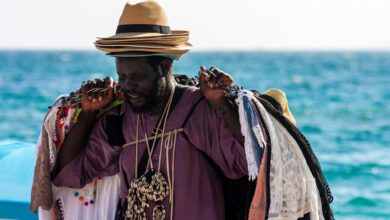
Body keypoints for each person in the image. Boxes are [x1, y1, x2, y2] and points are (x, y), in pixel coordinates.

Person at [31, 1, 334, 219]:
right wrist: (89, 113)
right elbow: (69, 175)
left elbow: (251, 167)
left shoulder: (198, 110)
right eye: (122, 76)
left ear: (165, 65)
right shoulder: (118, 119)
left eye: (136, 77)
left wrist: (220, 104)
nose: (126, 86)